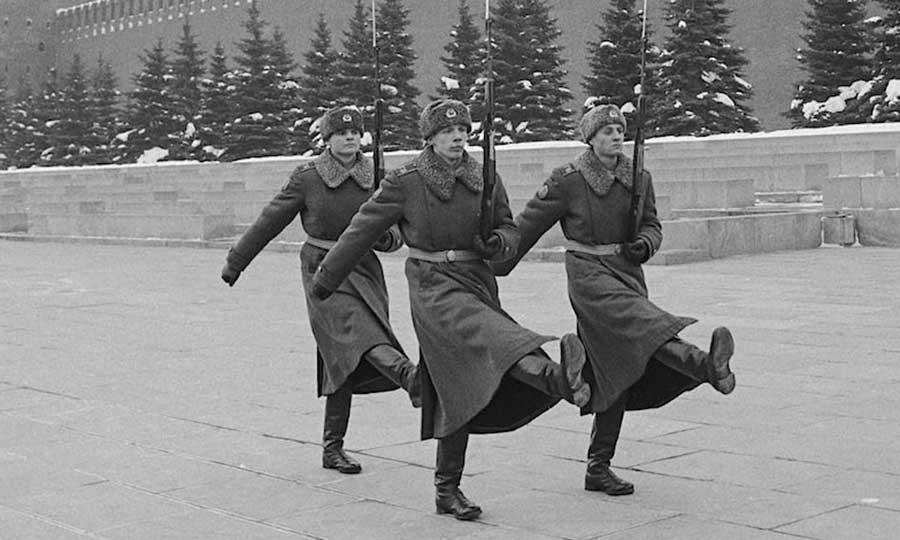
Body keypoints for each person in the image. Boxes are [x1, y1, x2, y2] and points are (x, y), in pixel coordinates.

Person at [310, 99, 591, 521]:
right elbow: (362, 228)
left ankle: (447, 490)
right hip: (433, 287)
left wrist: (498, 243)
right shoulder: (407, 181)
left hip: (477, 280)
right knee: (498, 338)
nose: (458, 137)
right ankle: (560, 379)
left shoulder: (484, 176)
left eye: (463, 130)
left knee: (456, 384)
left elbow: (508, 228)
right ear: (430, 138)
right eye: (448, 131)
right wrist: (325, 280)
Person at [492, 104, 736, 496]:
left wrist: (645, 243)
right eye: (605, 130)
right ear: (590, 138)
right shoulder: (568, 180)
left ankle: (598, 467)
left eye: (619, 129)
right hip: (589, 276)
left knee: (615, 369)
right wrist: (495, 257)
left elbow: (652, 224)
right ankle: (706, 366)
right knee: (645, 325)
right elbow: (527, 226)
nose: (615, 135)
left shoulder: (638, 176)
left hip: (626, 271)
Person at [220, 105, 420, 476]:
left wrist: (387, 238)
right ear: (326, 139)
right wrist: (236, 262)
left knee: (340, 354)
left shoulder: (377, 175)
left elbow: (398, 228)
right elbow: (270, 220)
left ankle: (333, 448)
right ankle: (410, 377)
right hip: (322, 271)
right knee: (357, 332)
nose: (349, 138)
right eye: (340, 133)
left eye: (354, 132)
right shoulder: (308, 177)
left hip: (363, 269)